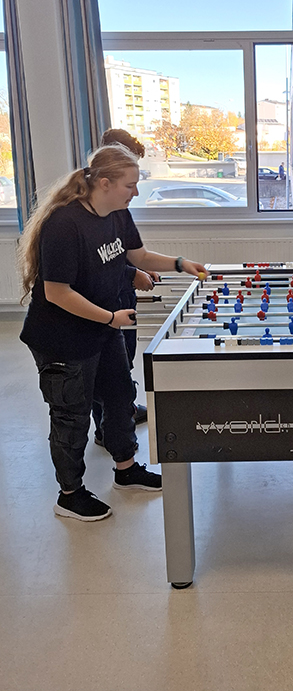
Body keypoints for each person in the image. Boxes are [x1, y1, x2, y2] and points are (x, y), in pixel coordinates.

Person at [19, 144, 209, 522]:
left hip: (103, 325)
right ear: (104, 183)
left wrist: (179, 263)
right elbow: (56, 293)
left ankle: (126, 470)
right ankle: (70, 495)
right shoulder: (64, 223)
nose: (135, 192)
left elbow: (136, 257)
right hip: (62, 338)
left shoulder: (117, 214)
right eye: (130, 185)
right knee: (71, 415)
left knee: (120, 396)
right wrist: (109, 318)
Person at [92, 128, 157, 445]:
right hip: (105, 303)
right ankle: (108, 426)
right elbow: (99, 260)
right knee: (107, 365)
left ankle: (121, 411)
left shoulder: (118, 207)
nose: (133, 191)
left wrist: (137, 268)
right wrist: (133, 272)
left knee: (122, 359)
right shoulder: (86, 211)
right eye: (129, 184)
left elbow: (125, 250)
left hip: (121, 295)